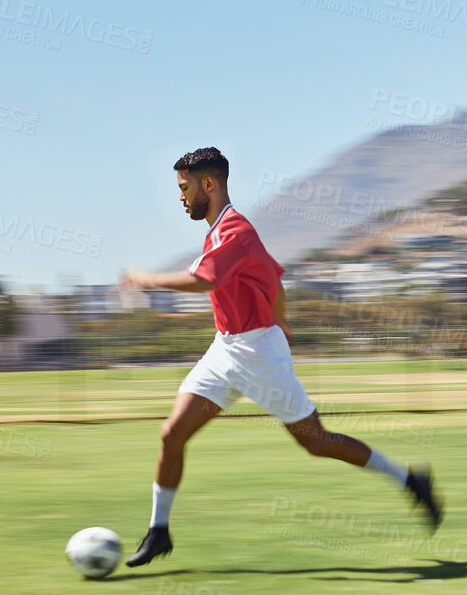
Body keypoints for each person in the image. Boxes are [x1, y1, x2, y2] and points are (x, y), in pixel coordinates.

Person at [118, 147, 441, 565]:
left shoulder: (235, 231)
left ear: (208, 185)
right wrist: (283, 320)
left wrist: (144, 278)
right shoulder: (219, 233)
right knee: (172, 434)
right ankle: (159, 532)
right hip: (226, 348)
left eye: (184, 188)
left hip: (258, 353)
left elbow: (204, 280)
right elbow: (275, 280)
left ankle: (411, 480)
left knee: (317, 442)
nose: (181, 198)